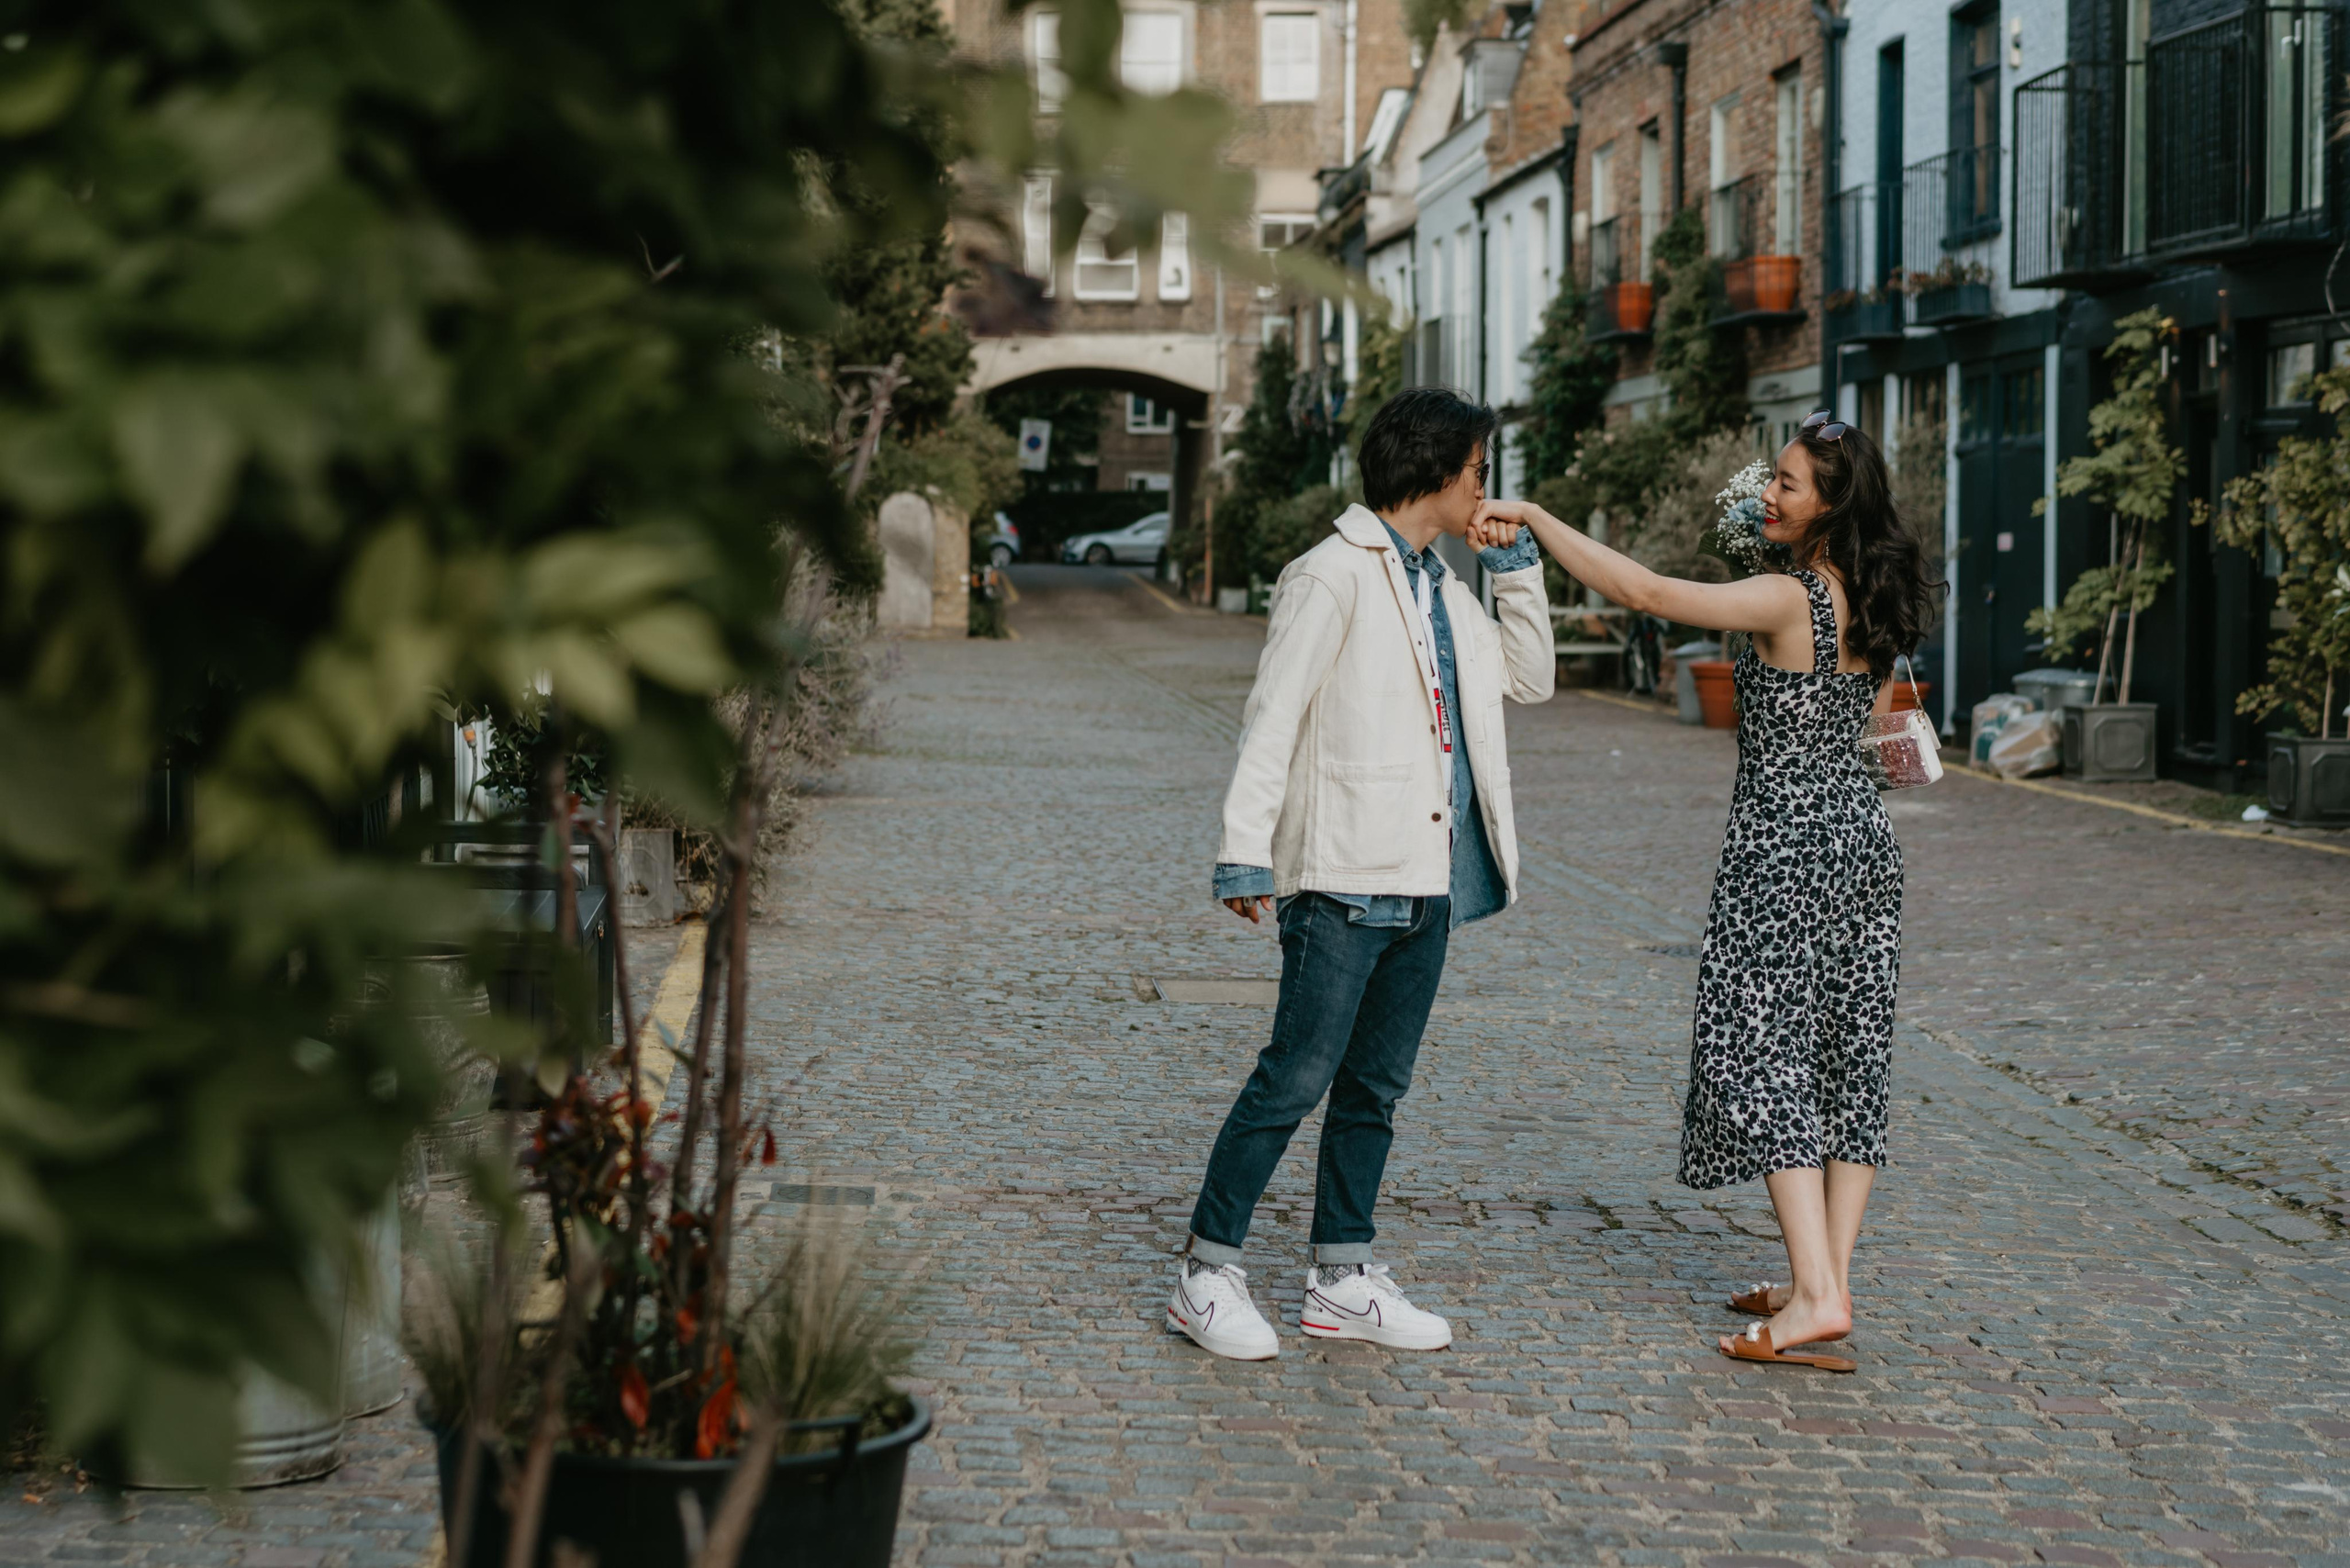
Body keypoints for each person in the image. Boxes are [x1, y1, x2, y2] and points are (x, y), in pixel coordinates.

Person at [1471, 412, 1941, 1373]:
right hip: (1861, 839)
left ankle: (1813, 1297)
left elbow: (1640, 589)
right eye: (1770, 477)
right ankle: (1828, 1279)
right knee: (1847, 1056)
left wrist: (1536, 518)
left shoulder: (1787, 596)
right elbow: (1885, 728)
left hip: (1781, 845)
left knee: (1764, 1052)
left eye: (1789, 485)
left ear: (1830, 504)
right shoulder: (1874, 594)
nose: (1769, 494)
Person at [1168, 386, 1556, 1361]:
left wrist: (1511, 563)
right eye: (1478, 470)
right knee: (1294, 1075)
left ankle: (1341, 1275)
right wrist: (1243, 851)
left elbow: (1529, 676)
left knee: (1376, 1089)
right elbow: (1273, 718)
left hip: (1428, 876)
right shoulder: (1329, 575)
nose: (1485, 487)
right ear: (1433, 470)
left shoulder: (1448, 585)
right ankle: (1205, 1271)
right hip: (1341, 871)